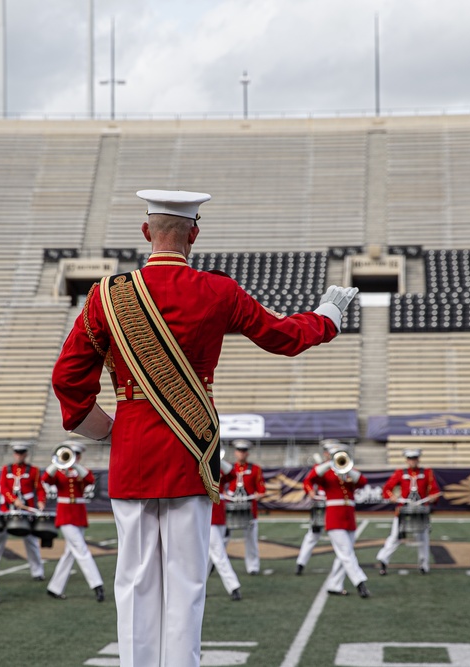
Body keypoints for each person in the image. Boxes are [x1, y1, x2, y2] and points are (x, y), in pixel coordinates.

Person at [51, 189, 356, 667]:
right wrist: (327, 318)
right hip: (191, 449)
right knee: (187, 579)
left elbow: (66, 379)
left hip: (131, 448)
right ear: (194, 234)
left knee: (134, 579)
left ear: (146, 232)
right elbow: (283, 339)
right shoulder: (219, 290)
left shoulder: (106, 295)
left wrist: (107, 430)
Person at [302, 442, 370, 597]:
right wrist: (328, 464)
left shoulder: (349, 472)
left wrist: (347, 468)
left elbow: (363, 481)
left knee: (345, 553)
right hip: (334, 517)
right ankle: (360, 582)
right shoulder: (326, 473)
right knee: (346, 552)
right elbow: (310, 478)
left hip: (349, 517)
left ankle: (334, 585)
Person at [42, 440, 104, 602]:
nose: (73, 457)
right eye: (71, 454)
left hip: (79, 514)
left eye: (76, 454)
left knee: (70, 553)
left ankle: (54, 588)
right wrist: (58, 463)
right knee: (81, 549)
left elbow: (90, 480)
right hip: (65, 515)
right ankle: (97, 585)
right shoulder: (60, 473)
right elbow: (46, 479)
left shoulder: (81, 472)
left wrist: (74, 465)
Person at [0, 442, 46, 581]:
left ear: (26, 454)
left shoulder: (33, 470)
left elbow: (40, 488)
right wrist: (13, 500)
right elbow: (3, 488)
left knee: (31, 541)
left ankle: (37, 572)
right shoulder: (7, 469)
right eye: (16, 453)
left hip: (26, 511)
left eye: (21, 453)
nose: (18, 455)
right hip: (7, 510)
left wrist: (41, 501)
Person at [375, 449, 440, 575]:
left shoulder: (427, 472)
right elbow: (387, 488)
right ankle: (383, 561)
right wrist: (392, 496)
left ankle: (424, 564)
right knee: (395, 536)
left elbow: (434, 490)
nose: (412, 461)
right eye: (410, 458)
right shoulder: (400, 473)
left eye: (415, 458)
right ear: (406, 460)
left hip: (421, 511)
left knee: (423, 538)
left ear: (418, 459)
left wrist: (433, 496)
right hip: (403, 511)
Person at [295, 441, 340, 575]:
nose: (328, 454)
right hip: (320, 504)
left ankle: (341, 567)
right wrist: (310, 491)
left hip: (334, 505)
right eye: (327, 452)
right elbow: (308, 481)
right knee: (313, 535)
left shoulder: (340, 467)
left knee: (339, 538)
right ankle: (300, 563)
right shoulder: (320, 467)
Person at [223, 439, 266, 575]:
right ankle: (214, 564)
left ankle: (253, 566)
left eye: (244, 451)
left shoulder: (255, 469)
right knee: (222, 539)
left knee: (251, 539)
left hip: (249, 510)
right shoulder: (229, 468)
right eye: (239, 451)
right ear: (235, 452)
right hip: (230, 509)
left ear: (247, 453)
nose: (242, 454)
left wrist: (259, 494)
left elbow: (261, 488)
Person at [208, 451, 241, 600]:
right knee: (219, 553)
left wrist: (215, 458)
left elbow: (232, 474)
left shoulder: (218, 467)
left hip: (219, 515)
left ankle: (198, 588)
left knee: (209, 556)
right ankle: (233, 586)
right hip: (207, 516)